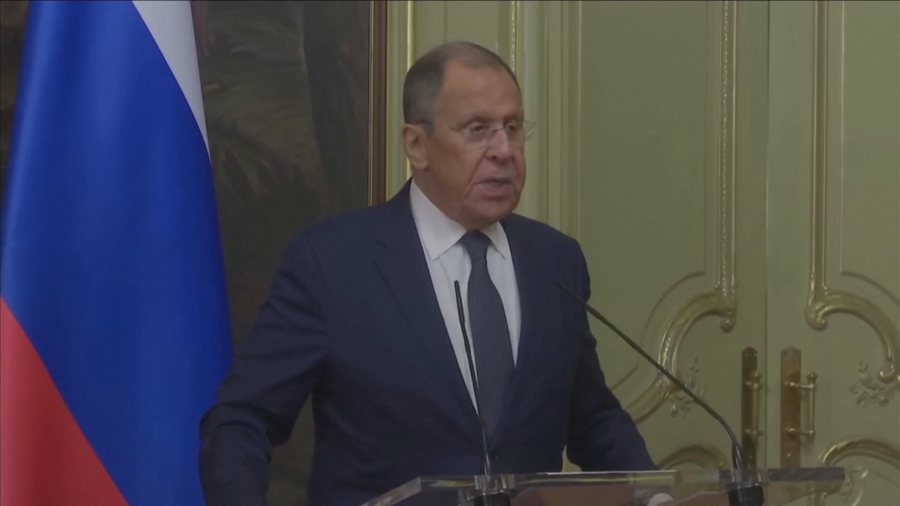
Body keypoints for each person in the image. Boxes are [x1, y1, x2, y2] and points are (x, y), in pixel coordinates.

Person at [199, 40, 656, 506]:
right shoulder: (332, 263)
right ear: (416, 145)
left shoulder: (554, 261)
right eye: (478, 130)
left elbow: (593, 420)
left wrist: (657, 497)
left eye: (513, 127)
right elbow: (242, 420)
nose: (504, 150)